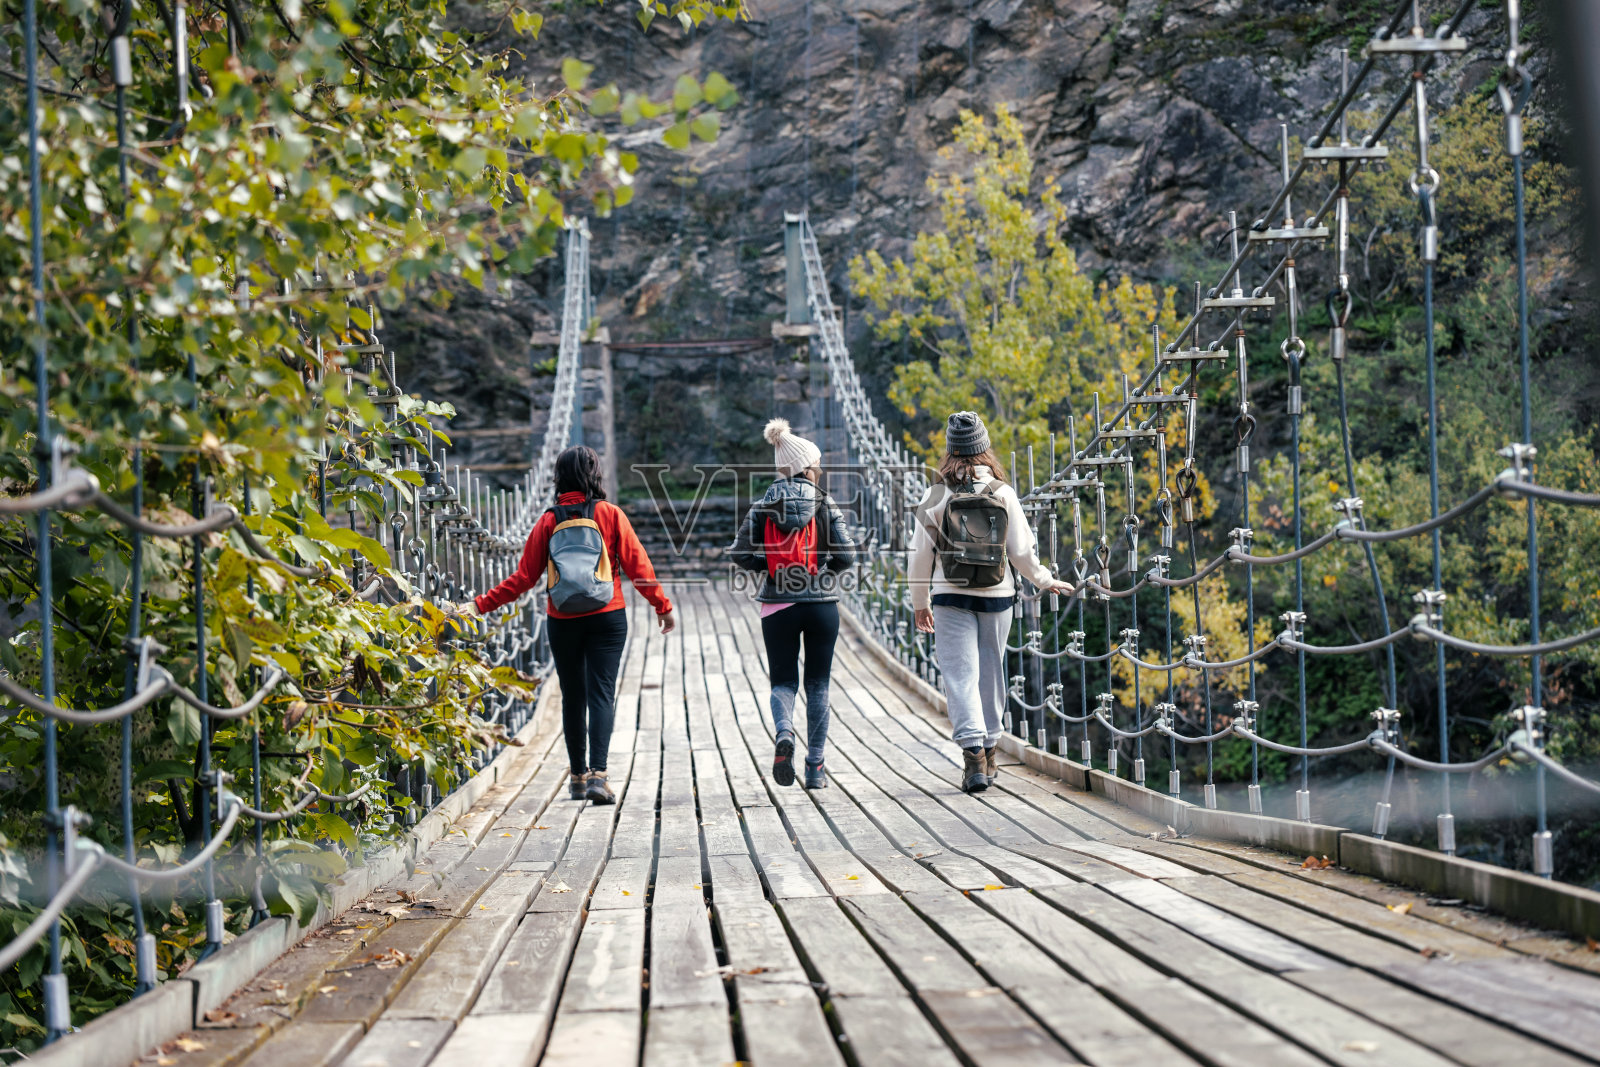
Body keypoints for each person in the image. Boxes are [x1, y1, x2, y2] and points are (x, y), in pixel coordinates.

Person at [456, 445, 674, 804]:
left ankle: (576, 776)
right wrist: (662, 607)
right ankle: (599, 777)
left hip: (563, 620)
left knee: (574, 696)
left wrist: (479, 605)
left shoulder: (548, 520)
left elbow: (523, 579)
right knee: (602, 693)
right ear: (594, 474)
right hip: (608, 616)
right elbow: (639, 567)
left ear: (558, 477)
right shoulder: (610, 514)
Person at [909, 412, 1070, 793]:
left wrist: (920, 602)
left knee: (958, 675)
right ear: (983, 448)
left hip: (949, 595)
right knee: (990, 671)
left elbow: (919, 555)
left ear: (950, 450)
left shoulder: (935, 494)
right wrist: (1045, 580)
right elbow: (1021, 551)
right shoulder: (1002, 492)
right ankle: (991, 747)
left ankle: (973, 759)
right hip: (998, 595)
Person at [729, 418, 857, 790]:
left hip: (777, 604)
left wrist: (768, 568)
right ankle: (816, 767)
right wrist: (823, 571)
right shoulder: (823, 501)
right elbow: (847, 556)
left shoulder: (763, 504)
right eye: (817, 464)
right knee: (818, 686)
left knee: (784, 683)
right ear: (807, 467)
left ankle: (784, 732)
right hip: (821, 606)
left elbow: (738, 553)